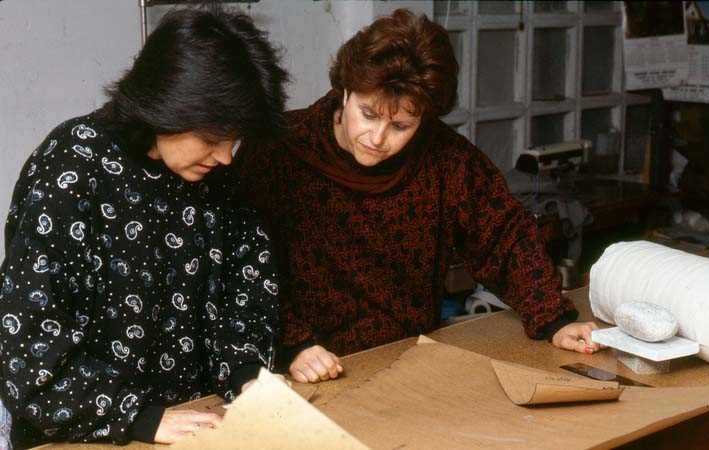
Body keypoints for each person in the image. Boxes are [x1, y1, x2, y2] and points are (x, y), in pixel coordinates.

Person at [241, 9, 601, 385]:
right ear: (344, 91)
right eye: (367, 114)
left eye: (400, 126)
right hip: (302, 367)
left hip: (407, 361)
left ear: (425, 118)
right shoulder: (278, 149)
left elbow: (504, 236)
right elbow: (242, 263)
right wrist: (293, 343)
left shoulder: (446, 161)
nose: (377, 138)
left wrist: (553, 319)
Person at [0, 8, 288, 447]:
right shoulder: (72, 169)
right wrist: (136, 417)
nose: (226, 157)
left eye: (234, 141)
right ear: (166, 104)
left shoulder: (215, 177)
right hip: (85, 433)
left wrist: (248, 377)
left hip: (196, 421)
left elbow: (245, 287)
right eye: (213, 140)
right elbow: (30, 344)